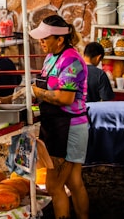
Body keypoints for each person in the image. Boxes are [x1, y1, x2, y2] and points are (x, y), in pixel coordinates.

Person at [29, 14, 89, 219]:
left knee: (54, 186)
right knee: (73, 182)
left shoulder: (71, 60)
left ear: (60, 39)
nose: (41, 41)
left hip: (69, 127)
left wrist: (38, 93)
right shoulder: (51, 57)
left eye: (45, 38)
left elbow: (65, 97)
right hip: (56, 125)